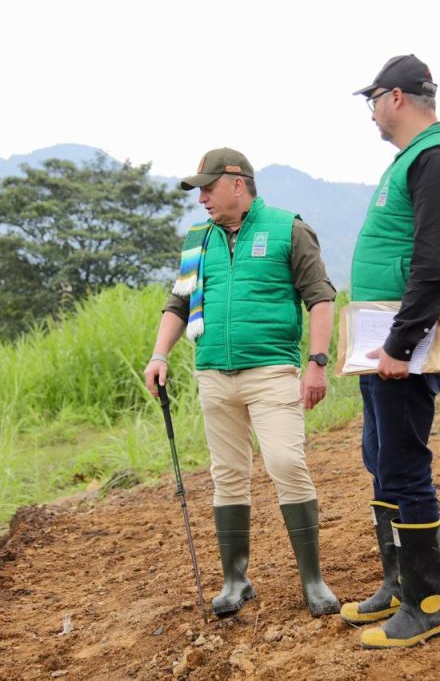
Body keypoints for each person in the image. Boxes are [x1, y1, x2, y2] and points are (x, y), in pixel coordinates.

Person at [143, 147, 340, 618]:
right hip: (214, 374)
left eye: (208, 188)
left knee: (286, 464)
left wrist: (317, 362)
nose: (202, 198)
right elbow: (178, 304)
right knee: (227, 476)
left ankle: (313, 581)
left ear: (238, 183)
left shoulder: (288, 229)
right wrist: (158, 355)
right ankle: (236, 580)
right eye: (199, 190)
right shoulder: (198, 241)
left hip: (271, 371)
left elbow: (320, 298)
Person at [338, 55, 440, 648]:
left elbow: (433, 264)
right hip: (383, 346)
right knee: (381, 458)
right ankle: (397, 584)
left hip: (406, 346)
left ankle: (426, 604)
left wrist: (399, 343)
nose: (370, 112)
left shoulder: (438, 162)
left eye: (373, 100)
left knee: (404, 464)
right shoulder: (411, 162)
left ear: (396, 97)